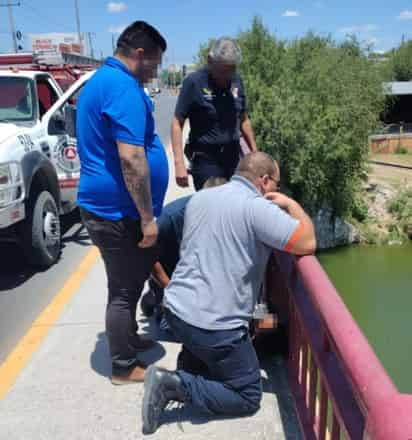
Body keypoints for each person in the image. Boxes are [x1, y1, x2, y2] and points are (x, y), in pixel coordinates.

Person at [141, 152, 316, 434]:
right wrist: (290, 204)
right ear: (265, 180)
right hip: (214, 327)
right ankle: (173, 384)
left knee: (214, 348)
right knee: (247, 394)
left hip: (175, 312)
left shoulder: (200, 199)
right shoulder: (257, 208)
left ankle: (191, 366)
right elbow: (307, 242)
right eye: (277, 186)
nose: (277, 193)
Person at [76, 21, 168, 385]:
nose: (155, 71)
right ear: (140, 54)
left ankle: (127, 340)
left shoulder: (102, 81)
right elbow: (131, 158)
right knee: (124, 290)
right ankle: (123, 365)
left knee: (126, 284)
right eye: (155, 64)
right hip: (117, 211)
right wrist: (147, 217)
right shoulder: (122, 87)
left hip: (108, 207)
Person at [171, 37, 257, 191]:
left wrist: (255, 153)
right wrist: (179, 164)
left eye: (232, 70)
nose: (227, 76)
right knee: (212, 210)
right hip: (206, 161)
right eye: (223, 71)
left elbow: (243, 119)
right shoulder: (194, 82)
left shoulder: (237, 81)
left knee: (235, 207)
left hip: (233, 159)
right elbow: (177, 123)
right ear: (210, 61)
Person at [140, 177, 227, 328]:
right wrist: (170, 289)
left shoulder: (230, 212)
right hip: (170, 273)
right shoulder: (169, 218)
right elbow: (146, 256)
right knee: (177, 328)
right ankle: (155, 296)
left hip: (197, 271)